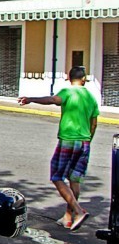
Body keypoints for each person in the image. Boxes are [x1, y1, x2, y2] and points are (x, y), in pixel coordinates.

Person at [18, 66, 99, 232]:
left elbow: (53, 100)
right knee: (74, 179)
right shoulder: (91, 97)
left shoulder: (67, 92)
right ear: (84, 79)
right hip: (84, 142)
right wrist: (88, 139)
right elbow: (94, 122)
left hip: (68, 140)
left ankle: (78, 211)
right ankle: (68, 218)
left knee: (57, 176)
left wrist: (31, 99)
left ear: (69, 79)